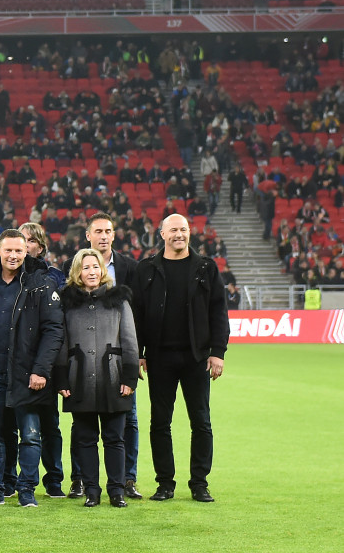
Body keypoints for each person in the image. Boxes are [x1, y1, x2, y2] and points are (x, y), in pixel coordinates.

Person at [131, 214, 229, 503]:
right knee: (160, 422)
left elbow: (218, 312)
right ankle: (165, 484)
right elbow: (136, 314)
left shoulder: (206, 268)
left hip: (196, 357)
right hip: (159, 357)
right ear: (161, 234)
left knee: (201, 422)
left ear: (189, 233)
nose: (179, 234)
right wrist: (138, 353)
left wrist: (218, 353)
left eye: (183, 229)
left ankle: (199, 483)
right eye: (173, 229)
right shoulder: (146, 269)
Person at [0, 229, 64, 508]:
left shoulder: (40, 283)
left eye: (19, 251)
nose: (13, 256)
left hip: (27, 372)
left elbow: (53, 331)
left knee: (31, 434)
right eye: (8, 250)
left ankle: (27, 489)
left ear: (27, 253)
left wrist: (41, 370)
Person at [55, 249, 139, 508]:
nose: (91, 272)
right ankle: (92, 491)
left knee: (115, 438)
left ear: (102, 270)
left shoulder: (119, 300)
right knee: (85, 439)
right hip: (78, 378)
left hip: (113, 377)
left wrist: (130, 377)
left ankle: (116, 491)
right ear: (77, 272)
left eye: (95, 267)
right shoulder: (66, 302)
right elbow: (61, 343)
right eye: (85, 267)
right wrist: (61, 379)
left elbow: (130, 341)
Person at [81, 212, 140, 498]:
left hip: (117, 370)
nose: (104, 235)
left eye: (108, 230)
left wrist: (132, 367)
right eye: (98, 231)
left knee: (126, 426)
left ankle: (125, 482)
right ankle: (83, 483)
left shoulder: (129, 271)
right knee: (85, 435)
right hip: (82, 375)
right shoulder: (71, 296)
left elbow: (131, 330)